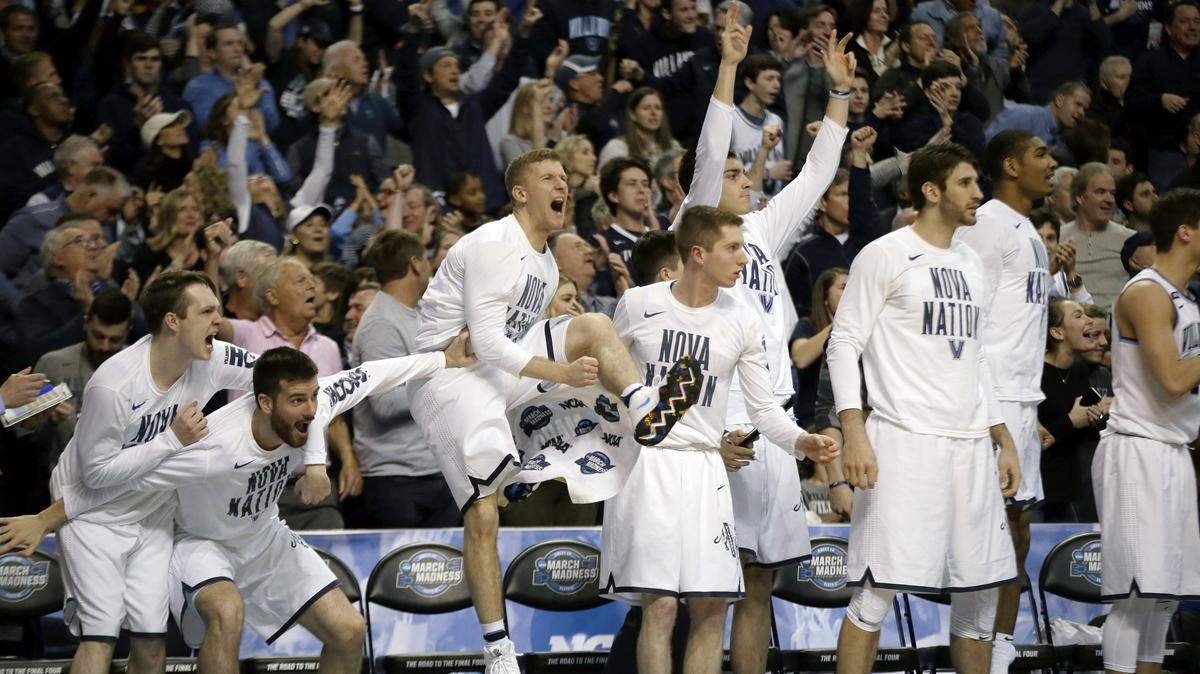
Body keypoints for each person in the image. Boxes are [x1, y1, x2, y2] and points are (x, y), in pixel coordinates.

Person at [9, 340, 472, 674]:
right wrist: (44, 519)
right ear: (264, 402)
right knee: (227, 613)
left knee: (349, 631)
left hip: (265, 537)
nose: (311, 411)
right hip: (199, 543)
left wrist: (443, 358)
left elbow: (375, 374)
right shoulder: (211, 446)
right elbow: (116, 483)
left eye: (313, 398)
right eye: (297, 401)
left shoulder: (313, 405)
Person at [410, 148, 704, 673]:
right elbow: (488, 343)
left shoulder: (546, 265)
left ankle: (644, 408)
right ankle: (498, 648)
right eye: (549, 177)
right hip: (448, 376)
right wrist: (562, 374)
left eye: (565, 178)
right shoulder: (492, 244)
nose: (562, 185)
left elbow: (516, 350)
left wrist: (567, 374)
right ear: (521, 193)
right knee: (481, 511)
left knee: (591, 329)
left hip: (499, 373)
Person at [667, 16, 852, 674]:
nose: (746, 179)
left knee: (760, 587)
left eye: (749, 172)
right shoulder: (694, 233)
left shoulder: (761, 236)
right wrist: (727, 66)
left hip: (778, 422)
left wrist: (839, 97)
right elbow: (712, 152)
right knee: (717, 589)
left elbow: (816, 174)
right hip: (725, 426)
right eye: (736, 173)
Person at [42, 271, 329, 674]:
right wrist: (171, 441)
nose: (219, 319)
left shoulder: (212, 358)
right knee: (101, 636)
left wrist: (314, 460)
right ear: (173, 322)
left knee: (151, 641)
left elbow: (298, 386)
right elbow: (97, 476)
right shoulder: (113, 385)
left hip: (153, 509)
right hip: (92, 512)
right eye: (208, 310)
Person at [603, 205, 840, 674]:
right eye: (732, 248)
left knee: (712, 606)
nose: (744, 259)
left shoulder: (742, 319)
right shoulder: (639, 304)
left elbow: (764, 408)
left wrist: (801, 442)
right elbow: (607, 377)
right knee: (662, 607)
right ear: (698, 253)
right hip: (650, 465)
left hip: (707, 467)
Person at [828, 143, 1020, 674]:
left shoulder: (972, 263)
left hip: (969, 447)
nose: (978, 192)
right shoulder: (885, 254)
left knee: (980, 595)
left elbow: (977, 357)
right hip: (903, 441)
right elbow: (843, 342)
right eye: (965, 182)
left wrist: (1002, 437)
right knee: (874, 595)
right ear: (932, 192)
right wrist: (854, 431)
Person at [953, 129, 1057, 674]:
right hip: (995, 397)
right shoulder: (988, 225)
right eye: (1041, 154)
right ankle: (979, 647)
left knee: (1017, 530)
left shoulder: (1027, 232)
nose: (1052, 161)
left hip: (1023, 395)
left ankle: (1001, 650)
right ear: (1010, 166)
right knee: (993, 530)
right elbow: (971, 319)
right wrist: (988, 404)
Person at [1092, 188, 1200, 674]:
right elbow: (1174, 379)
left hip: (1173, 450)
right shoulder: (1147, 293)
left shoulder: (1185, 298)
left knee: (1163, 599)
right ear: (1185, 231)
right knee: (1135, 597)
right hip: (1137, 452)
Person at [348, 230, 459, 528]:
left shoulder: (422, 312)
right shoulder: (380, 324)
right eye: (426, 258)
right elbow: (384, 405)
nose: (430, 266)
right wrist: (446, 373)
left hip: (436, 469)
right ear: (415, 265)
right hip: (395, 479)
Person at [1039, 298, 1107, 523]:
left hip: (1071, 495)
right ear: (1057, 332)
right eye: (1078, 316)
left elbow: (1083, 428)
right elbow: (1033, 441)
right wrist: (1071, 421)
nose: (1089, 321)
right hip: (1039, 499)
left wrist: (1098, 417)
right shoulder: (1034, 375)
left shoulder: (1079, 371)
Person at [1127, 0, 1200, 191]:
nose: (1193, 27)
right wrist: (1159, 100)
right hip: (1165, 155)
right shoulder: (1150, 61)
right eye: (1185, 21)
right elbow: (1131, 102)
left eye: (1197, 21)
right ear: (1168, 28)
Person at [1060, 162, 1136, 308]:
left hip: (1115, 326)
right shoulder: (1058, 237)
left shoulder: (1130, 239)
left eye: (1112, 193)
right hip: (1072, 325)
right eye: (1100, 192)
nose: (1109, 199)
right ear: (1080, 197)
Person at [182, 23, 281, 133]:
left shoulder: (258, 81)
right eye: (229, 44)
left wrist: (257, 84)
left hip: (260, 147)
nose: (237, 49)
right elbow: (209, 127)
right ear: (212, 52)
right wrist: (241, 101)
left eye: (240, 43)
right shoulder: (199, 86)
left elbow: (271, 124)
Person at [598, 87, 682, 170]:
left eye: (658, 108)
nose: (653, 112)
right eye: (646, 108)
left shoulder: (674, 146)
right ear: (632, 114)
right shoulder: (617, 147)